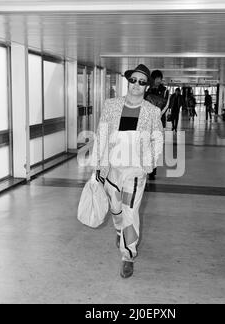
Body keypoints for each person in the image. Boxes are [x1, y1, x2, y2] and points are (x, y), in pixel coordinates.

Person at [91, 64, 164, 279]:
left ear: (147, 86)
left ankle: (127, 255)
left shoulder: (152, 111)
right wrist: (98, 166)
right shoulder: (111, 105)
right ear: (128, 81)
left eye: (142, 82)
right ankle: (118, 230)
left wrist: (147, 166)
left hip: (135, 171)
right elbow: (101, 135)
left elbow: (157, 138)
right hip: (112, 168)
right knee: (116, 208)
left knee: (130, 213)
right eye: (133, 80)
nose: (136, 85)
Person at [145, 70, 169, 180]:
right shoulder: (146, 88)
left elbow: (166, 105)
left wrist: (157, 115)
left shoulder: (164, 90)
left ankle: (153, 170)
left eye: (160, 78)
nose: (159, 80)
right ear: (153, 78)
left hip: (158, 121)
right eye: (157, 78)